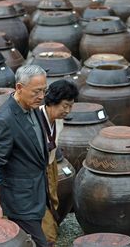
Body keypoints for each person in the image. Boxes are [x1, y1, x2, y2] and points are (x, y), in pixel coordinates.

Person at [0, 65, 52, 247]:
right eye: (37, 91)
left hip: (36, 190)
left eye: (44, 91)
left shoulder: (34, 107)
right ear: (19, 88)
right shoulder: (4, 119)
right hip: (20, 199)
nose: (41, 96)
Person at [40, 79, 78, 243]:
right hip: (35, 172)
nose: (68, 110)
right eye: (65, 105)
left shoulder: (58, 120)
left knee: (52, 202)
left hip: (51, 166)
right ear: (53, 101)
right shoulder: (34, 119)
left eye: (71, 106)